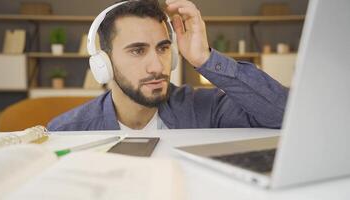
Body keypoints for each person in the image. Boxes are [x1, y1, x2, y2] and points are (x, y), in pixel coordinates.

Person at [47, 0, 288, 131]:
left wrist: (205, 59)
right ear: (104, 63)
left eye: (163, 48)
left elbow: (284, 115)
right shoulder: (68, 131)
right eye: (138, 50)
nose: (156, 66)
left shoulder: (206, 109)